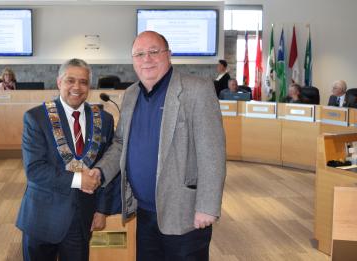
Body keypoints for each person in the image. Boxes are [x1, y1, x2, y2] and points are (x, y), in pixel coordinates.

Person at [87, 31, 226, 261]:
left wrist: (208, 206)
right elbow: (121, 143)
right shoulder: (131, 94)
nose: (147, 59)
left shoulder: (197, 90)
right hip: (144, 211)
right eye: (139, 54)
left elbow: (212, 152)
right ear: (133, 60)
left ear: (168, 55)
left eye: (154, 52)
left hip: (185, 212)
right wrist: (100, 171)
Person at [15, 58, 120, 261]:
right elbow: (35, 170)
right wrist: (79, 180)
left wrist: (102, 210)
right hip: (42, 217)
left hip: (82, 218)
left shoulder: (104, 120)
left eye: (83, 82)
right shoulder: (36, 118)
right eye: (70, 80)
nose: (77, 87)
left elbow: (108, 167)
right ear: (59, 82)